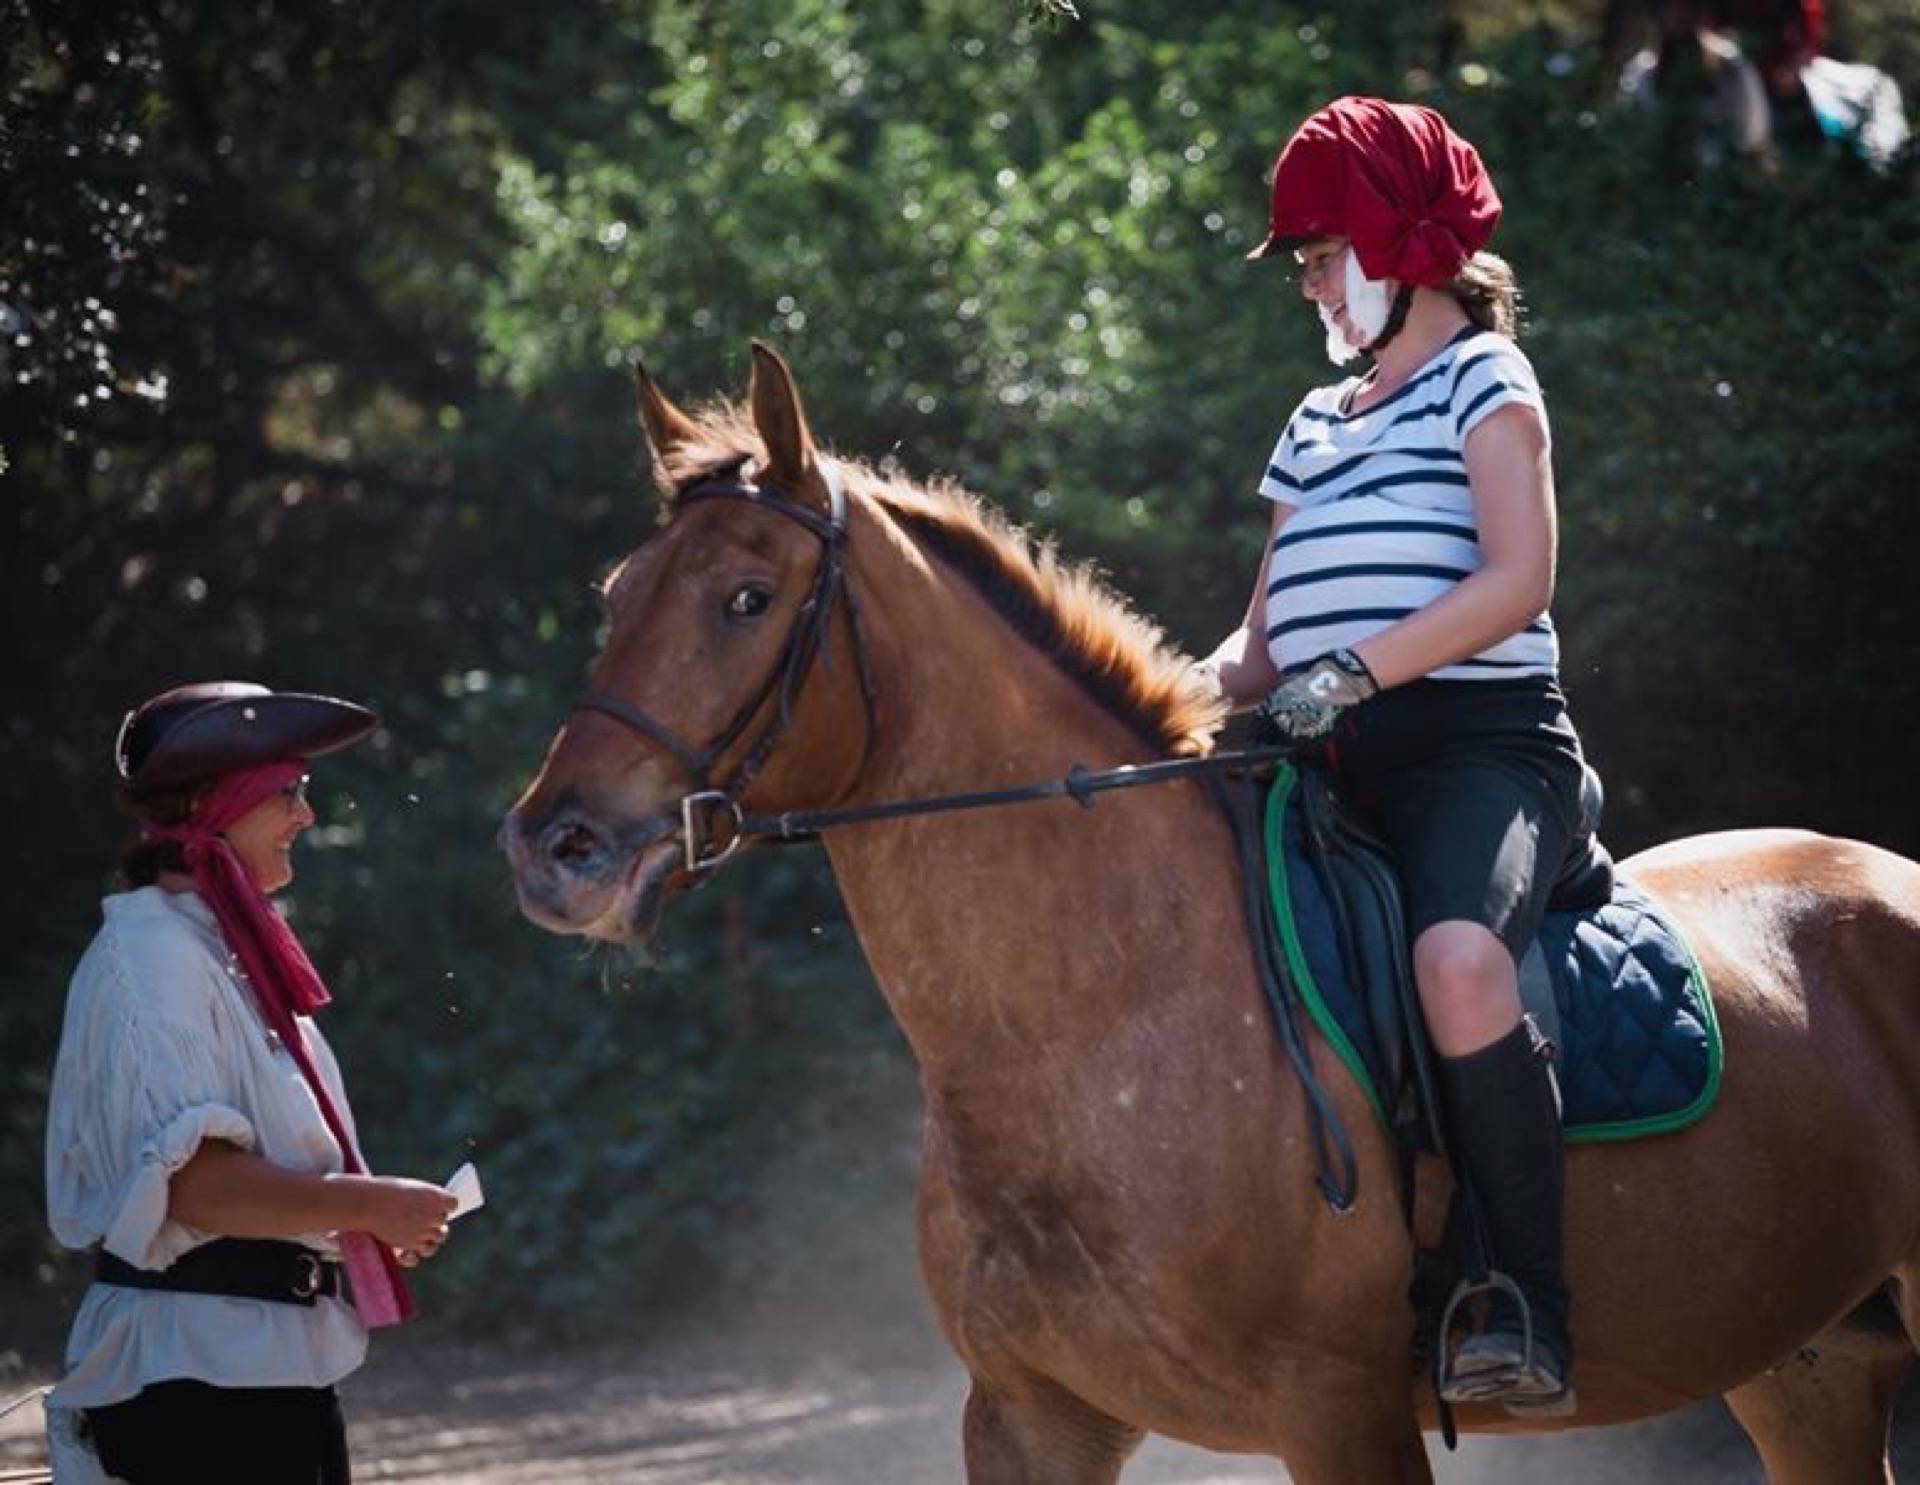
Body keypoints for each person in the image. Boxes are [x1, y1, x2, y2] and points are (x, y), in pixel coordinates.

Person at [1198, 96, 1593, 1415]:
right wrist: (1153, 700)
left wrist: (1354, 673)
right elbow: (1258, 644)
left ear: (1398, 246)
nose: (1308, 284)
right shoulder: (1313, 419)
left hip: (1480, 752)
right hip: (1319, 762)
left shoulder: (1487, 377)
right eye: (1304, 262)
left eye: (1321, 255)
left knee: (1459, 962)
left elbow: (1519, 580)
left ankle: (1524, 1299)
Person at [42, 682, 459, 1483]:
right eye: (288, 792)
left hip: (263, 1366)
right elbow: (196, 1186)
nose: (307, 813)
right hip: (195, 1381)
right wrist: (368, 1204)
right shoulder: (154, 957)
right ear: (217, 804)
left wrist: (366, 1216)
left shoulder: (220, 951)